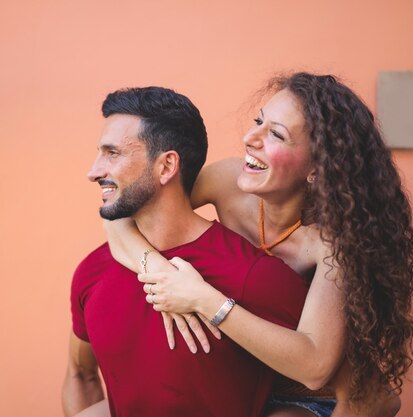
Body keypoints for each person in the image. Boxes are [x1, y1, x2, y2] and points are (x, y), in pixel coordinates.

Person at [101, 73, 413, 417]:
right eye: (259, 121)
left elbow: (314, 366)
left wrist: (202, 297)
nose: (249, 138)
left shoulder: (332, 242)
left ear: (317, 167)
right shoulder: (226, 181)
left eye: (275, 134)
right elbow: (122, 213)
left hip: (320, 395)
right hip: (247, 376)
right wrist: (161, 273)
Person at [62, 86, 311, 417]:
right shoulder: (92, 271)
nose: (93, 171)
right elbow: (80, 374)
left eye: (113, 153)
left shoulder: (257, 277)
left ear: (166, 166)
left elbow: (344, 387)